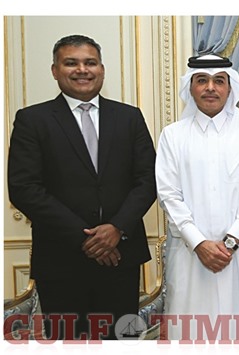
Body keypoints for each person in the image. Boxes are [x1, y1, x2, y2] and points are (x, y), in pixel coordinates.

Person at [7, 34, 156, 340]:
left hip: (121, 258)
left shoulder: (129, 117)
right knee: (68, 342)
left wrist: (116, 228)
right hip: (61, 262)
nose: (82, 70)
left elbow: (148, 180)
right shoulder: (32, 120)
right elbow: (24, 188)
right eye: (71, 63)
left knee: (121, 341)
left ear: (102, 68)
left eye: (90, 62)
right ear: (54, 70)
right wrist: (87, 238)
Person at [155, 54, 239, 341]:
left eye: (219, 81)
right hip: (191, 256)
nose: (211, 88)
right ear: (190, 87)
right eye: (202, 81)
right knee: (192, 333)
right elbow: (169, 195)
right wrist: (199, 243)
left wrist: (229, 244)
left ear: (230, 87)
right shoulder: (173, 136)